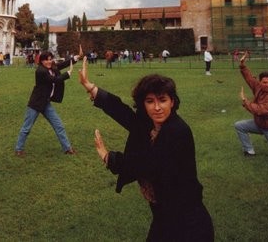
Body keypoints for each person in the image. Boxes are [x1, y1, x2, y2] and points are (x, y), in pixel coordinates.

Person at [78, 57, 214, 241]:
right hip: (164, 214)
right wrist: (90, 87)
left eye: (162, 100)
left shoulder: (177, 131)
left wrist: (108, 157)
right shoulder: (150, 124)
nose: (157, 107)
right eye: (150, 101)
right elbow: (123, 112)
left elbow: (146, 165)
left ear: (172, 102)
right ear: (143, 104)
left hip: (187, 222)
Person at [15, 51, 79, 156]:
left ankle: (67, 149)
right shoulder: (40, 71)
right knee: (27, 127)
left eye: (50, 59)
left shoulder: (51, 67)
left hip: (46, 103)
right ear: (41, 61)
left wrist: (74, 59)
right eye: (46, 60)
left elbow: (61, 65)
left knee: (59, 125)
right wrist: (68, 74)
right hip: (36, 104)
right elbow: (54, 80)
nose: (49, 61)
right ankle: (19, 149)